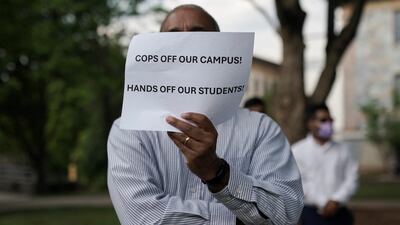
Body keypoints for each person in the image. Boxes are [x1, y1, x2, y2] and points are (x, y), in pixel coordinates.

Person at [107, 4, 303, 225]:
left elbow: (286, 213)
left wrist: (217, 173)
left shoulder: (261, 129)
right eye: (174, 35)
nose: (186, 43)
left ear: (221, 48)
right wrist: (238, 220)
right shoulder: (129, 130)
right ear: (157, 51)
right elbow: (142, 217)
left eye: (198, 34)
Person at [292, 103, 358, 225]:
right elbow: (299, 183)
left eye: (330, 120)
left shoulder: (343, 150)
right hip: (311, 213)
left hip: (340, 211)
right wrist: (323, 202)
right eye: (323, 120)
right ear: (310, 123)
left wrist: (336, 200)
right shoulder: (298, 151)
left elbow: (351, 180)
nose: (328, 124)